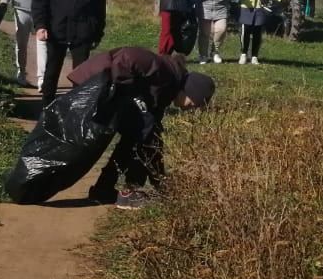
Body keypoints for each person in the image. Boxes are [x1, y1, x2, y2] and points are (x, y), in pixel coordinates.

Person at [70, 47, 215, 209]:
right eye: (195, 104)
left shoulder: (166, 91)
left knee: (143, 132)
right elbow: (127, 57)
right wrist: (120, 90)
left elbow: (154, 143)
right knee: (141, 131)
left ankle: (104, 190)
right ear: (191, 92)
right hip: (95, 84)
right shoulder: (166, 72)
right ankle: (130, 190)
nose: (191, 108)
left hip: (102, 85)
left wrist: (160, 182)